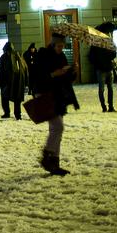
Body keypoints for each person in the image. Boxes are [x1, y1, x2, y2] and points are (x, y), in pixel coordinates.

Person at [33, 35, 79, 176]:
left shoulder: (62, 56)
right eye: (59, 46)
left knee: (57, 131)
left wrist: (73, 72)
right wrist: (53, 74)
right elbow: (37, 77)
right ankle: (47, 156)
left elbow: (66, 79)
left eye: (62, 46)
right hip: (46, 95)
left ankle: (55, 164)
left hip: (58, 96)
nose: (61, 48)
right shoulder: (43, 55)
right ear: (52, 45)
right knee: (58, 127)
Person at [0, 42, 27, 120]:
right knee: (14, 98)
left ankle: (10, 113)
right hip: (14, 81)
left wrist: (1, 82)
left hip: (10, 81)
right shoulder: (17, 56)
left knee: (8, 98)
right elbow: (25, 68)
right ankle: (15, 114)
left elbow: (1, 70)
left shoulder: (6, 57)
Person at [89, 43, 117, 112]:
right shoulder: (95, 46)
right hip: (101, 69)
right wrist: (98, 63)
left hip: (108, 68)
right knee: (102, 89)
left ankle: (110, 106)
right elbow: (91, 58)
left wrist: (113, 49)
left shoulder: (107, 44)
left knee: (109, 88)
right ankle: (104, 107)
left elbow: (113, 55)